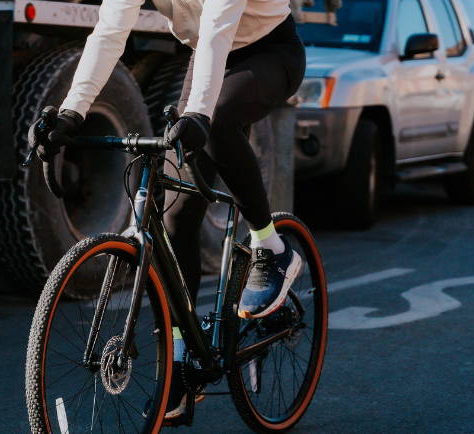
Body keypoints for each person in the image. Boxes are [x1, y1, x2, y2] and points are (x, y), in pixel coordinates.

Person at [28, 0, 307, 419]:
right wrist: (72, 113)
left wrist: (199, 115)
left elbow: (216, 26)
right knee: (175, 218)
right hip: (208, 58)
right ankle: (180, 362)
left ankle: (272, 246)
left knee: (220, 120)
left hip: (269, 53)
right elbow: (108, 34)